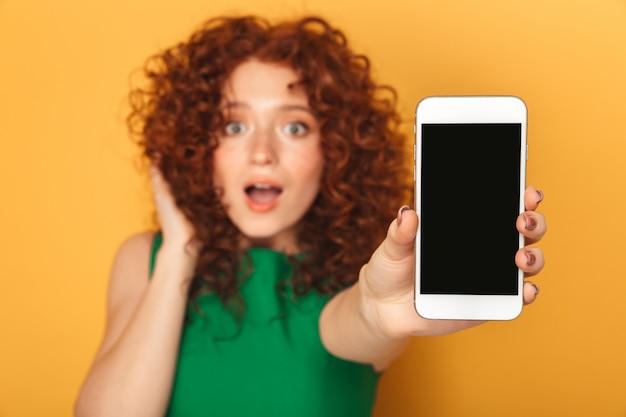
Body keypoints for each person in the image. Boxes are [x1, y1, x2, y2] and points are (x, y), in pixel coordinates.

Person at [74, 15, 547, 417]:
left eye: (295, 126)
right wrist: (179, 249)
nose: (262, 153)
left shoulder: (377, 270)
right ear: (200, 145)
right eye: (234, 125)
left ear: (334, 151)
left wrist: (379, 314)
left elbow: (360, 317)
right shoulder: (146, 258)